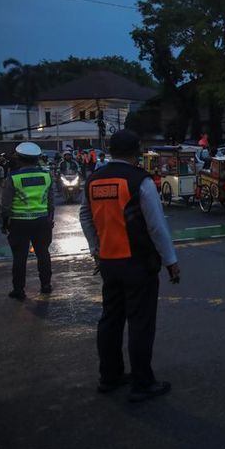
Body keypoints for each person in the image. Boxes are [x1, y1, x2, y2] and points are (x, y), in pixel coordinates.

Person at [80, 129, 180, 403]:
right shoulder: (140, 181)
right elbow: (157, 226)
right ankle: (142, 382)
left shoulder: (93, 180)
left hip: (109, 263)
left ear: (110, 150)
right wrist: (171, 261)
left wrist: (96, 249)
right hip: (138, 263)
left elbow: (85, 216)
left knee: (111, 320)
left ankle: (109, 377)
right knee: (140, 323)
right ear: (136, 151)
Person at [0, 142, 55, 300]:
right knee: (43, 254)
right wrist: (50, 218)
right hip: (42, 222)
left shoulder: (14, 177)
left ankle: (19, 290)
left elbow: (6, 205)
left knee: (19, 258)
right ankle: (46, 285)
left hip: (19, 224)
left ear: (19, 159)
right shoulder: (46, 176)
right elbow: (51, 201)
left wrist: (4, 224)